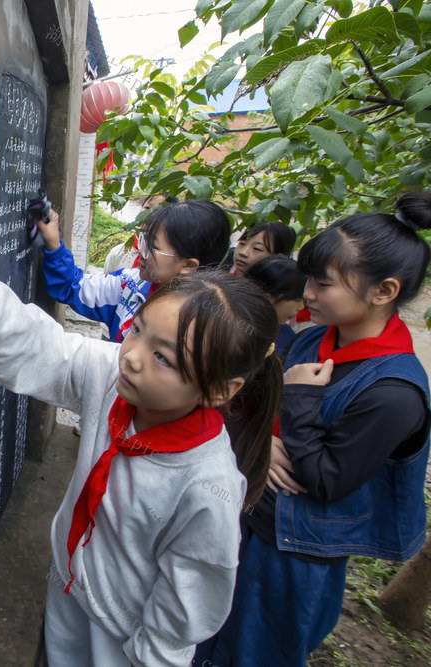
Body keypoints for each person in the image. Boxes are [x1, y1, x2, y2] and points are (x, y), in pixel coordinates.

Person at [0, 199, 282, 666]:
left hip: (119, 639)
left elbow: (183, 611)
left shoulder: (207, 489)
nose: (132, 355)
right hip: (67, 590)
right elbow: (42, 346)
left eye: (164, 358)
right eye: (137, 330)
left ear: (220, 389)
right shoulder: (115, 379)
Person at [195, 192, 431, 666]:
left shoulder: (394, 393)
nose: (307, 295)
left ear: (383, 291)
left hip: (295, 554)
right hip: (253, 516)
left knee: (255, 651)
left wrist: (298, 402)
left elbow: (326, 480)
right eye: (309, 281)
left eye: (323, 285)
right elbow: (253, 408)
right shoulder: (315, 340)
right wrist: (269, 440)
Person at [39, 199, 231, 341]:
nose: (140, 250)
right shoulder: (130, 285)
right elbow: (74, 286)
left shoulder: (204, 328)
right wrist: (54, 245)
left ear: (188, 266)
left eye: (152, 246)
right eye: (143, 240)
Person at [245, 254, 307, 358]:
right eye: (297, 300)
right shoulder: (233, 332)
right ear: (267, 298)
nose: (301, 307)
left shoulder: (287, 335)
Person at [220, 221, 297, 277]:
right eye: (242, 244)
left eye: (257, 249)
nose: (243, 253)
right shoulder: (223, 267)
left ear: (278, 258)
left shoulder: (272, 296)